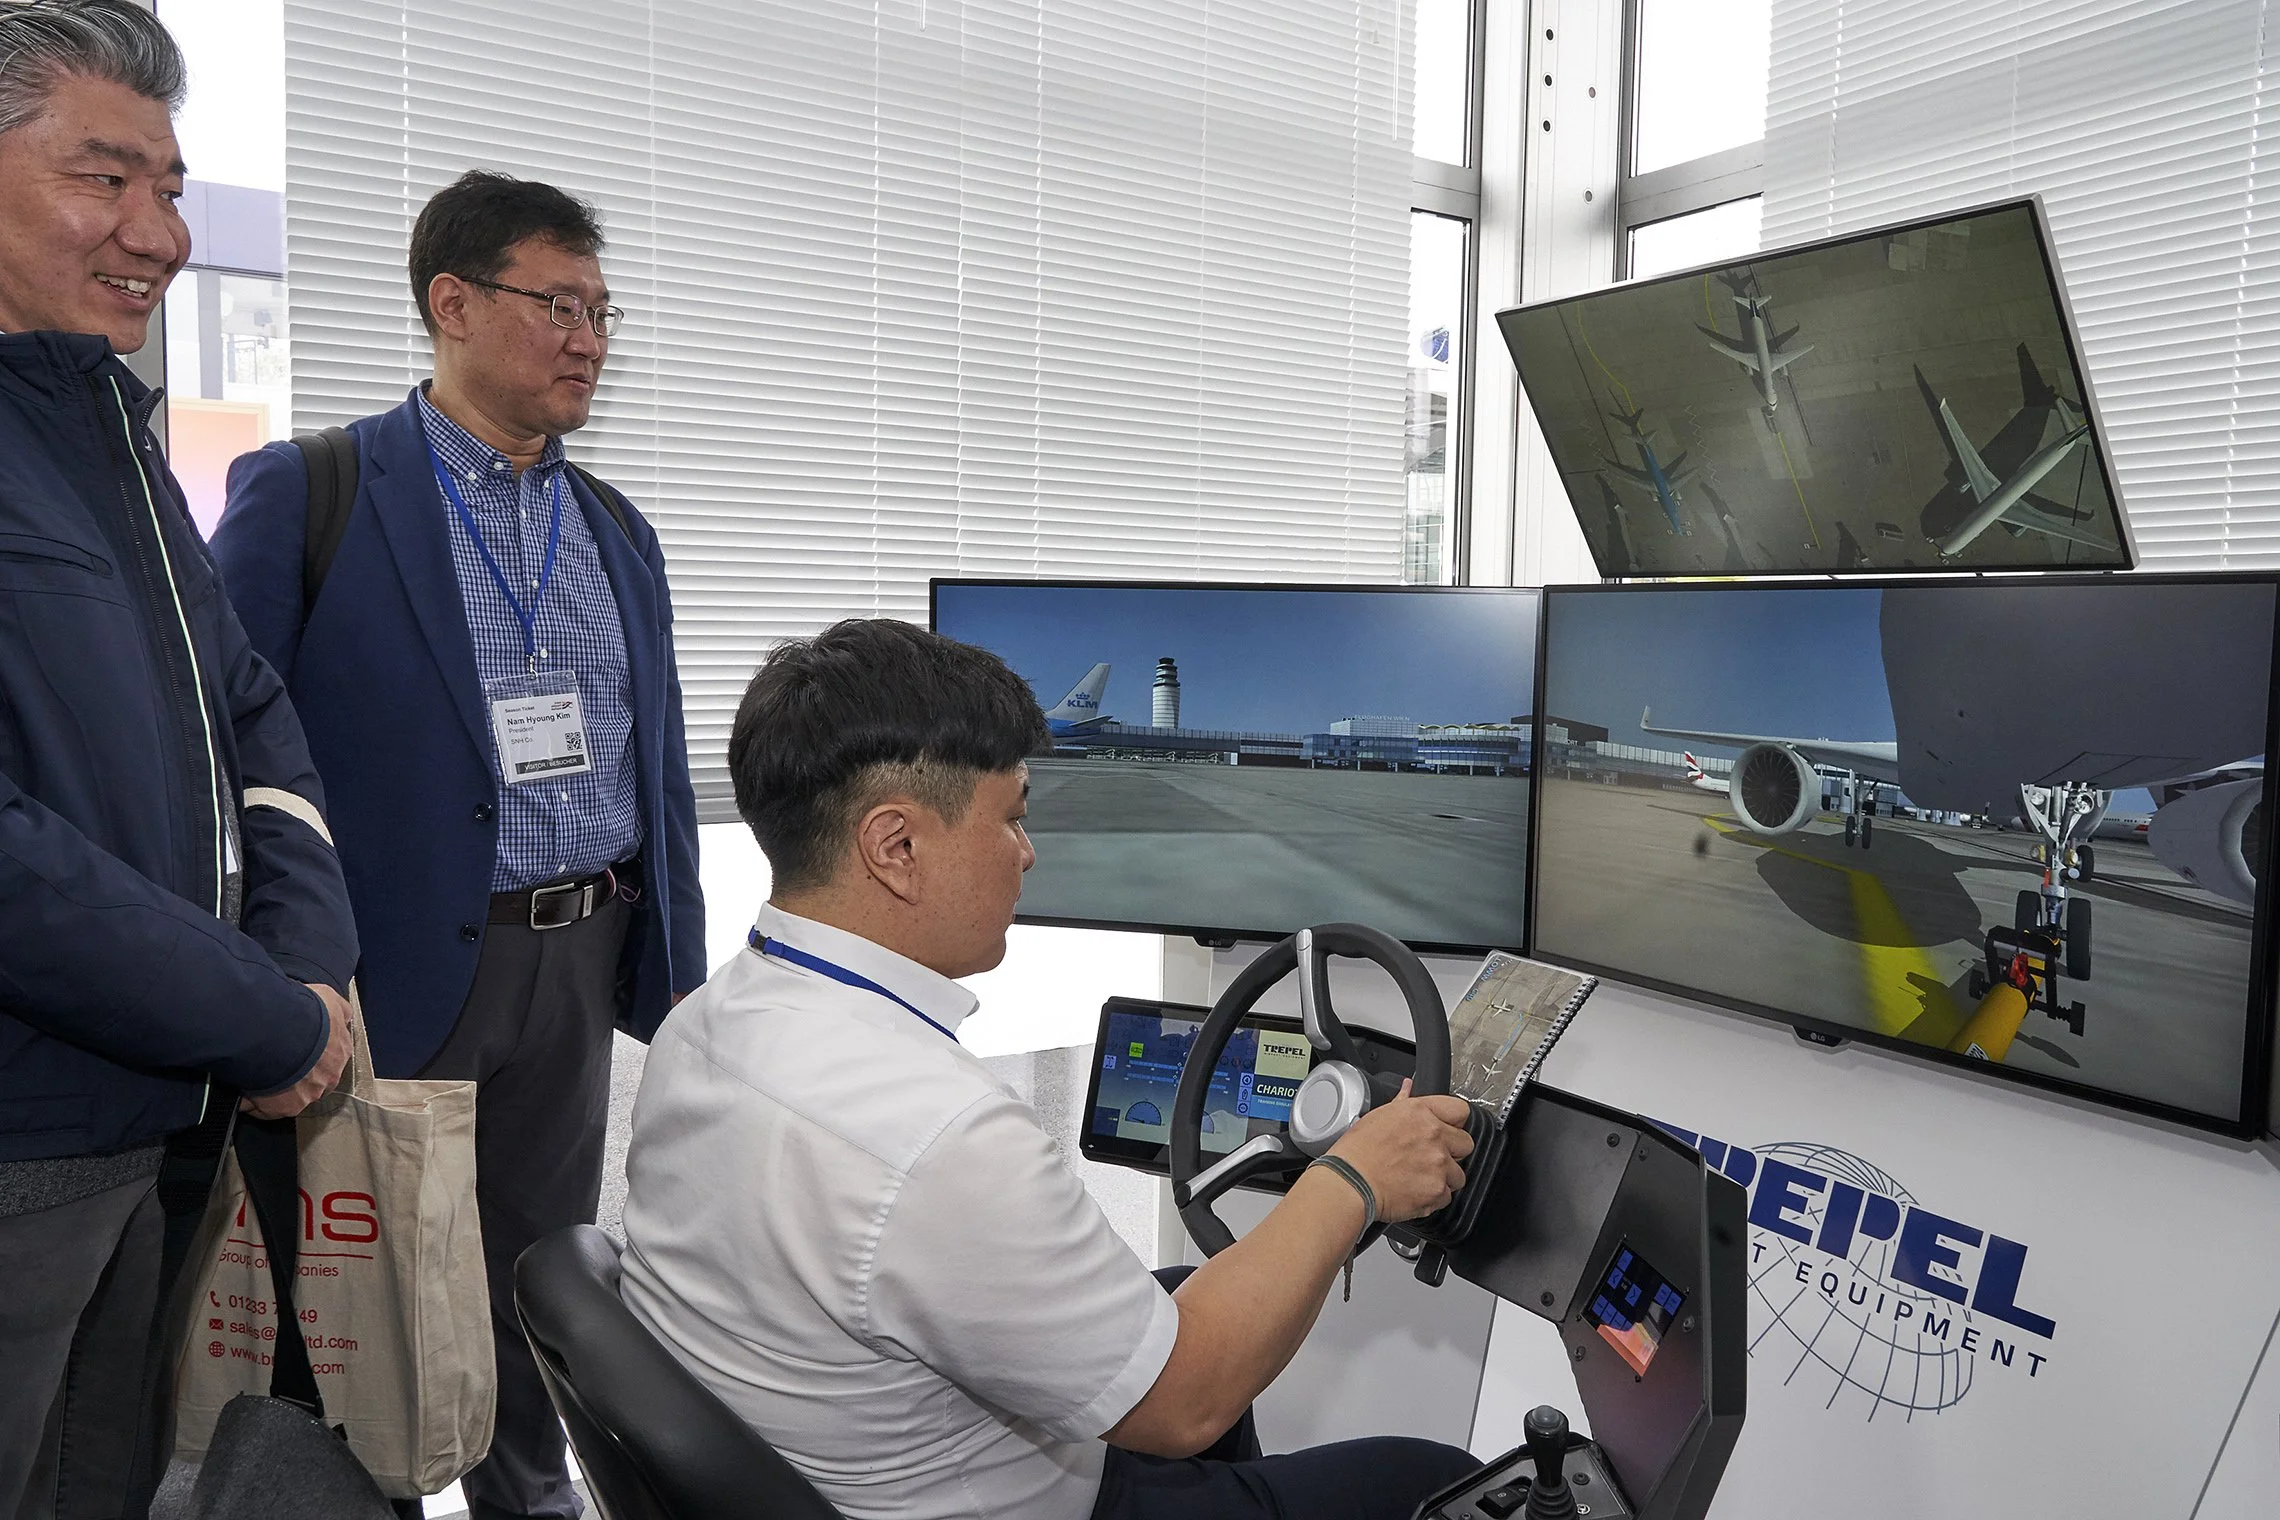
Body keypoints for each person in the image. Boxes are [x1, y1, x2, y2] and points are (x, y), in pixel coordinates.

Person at [618, 618, 1483, 1520]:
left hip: (852, 1449)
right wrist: (1354, 1178)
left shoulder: (702, 1025)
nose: (1028, 852)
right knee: (1440, 1479)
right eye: (1013, 817)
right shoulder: (941, 1139)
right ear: (896, 847)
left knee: (1196, 1295)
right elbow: (1188, 1402)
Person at [210, 171, 704, 1519]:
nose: (589, 337)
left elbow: (649, 764)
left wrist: (672, 967)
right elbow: (225, 753)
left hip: (576, 955)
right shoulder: (309, 495)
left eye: (603, 311)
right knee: (365, 1279)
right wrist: (264, 971)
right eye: (559, 304)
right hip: (385, 964)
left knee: (537, 1274)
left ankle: (530, 1494)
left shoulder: (614, 529)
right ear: (453, 305)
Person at [0, 2, 358, 1514]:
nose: (159, 231)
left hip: (156, 1123)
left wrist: (311, 960)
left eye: (171, 184)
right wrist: (259, 1020)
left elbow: (252, 714)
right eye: (104, 178)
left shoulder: (111, 432)